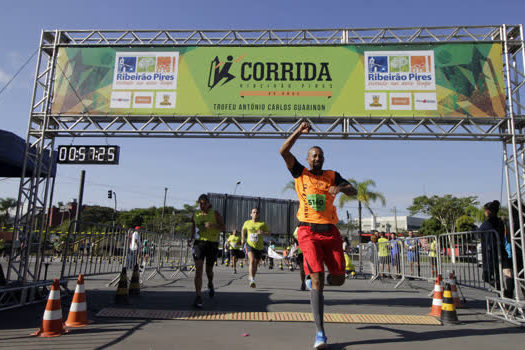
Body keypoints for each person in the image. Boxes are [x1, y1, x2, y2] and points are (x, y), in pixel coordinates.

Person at [279, 121, 357, 350]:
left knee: (339, 279)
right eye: (313, 156)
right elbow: (283, 151)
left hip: (331, 232)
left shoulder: (333, 176)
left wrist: (341, 188)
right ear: (308, 157)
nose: (317, 159)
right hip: (308, 231)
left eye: (320, 156)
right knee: (317, 280)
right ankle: (320, 332)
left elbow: (354, 190)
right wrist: (298, 132)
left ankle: (314, 277)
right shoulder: (300, 173)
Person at [189, 194, 225, 308]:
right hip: (199, 243)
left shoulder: (215, 213)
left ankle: (210, 283)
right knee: (198, 269)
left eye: (204, 203)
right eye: (200, 203)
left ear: (208, 203)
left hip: (212, 244)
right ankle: (198, 296)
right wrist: (190, 238)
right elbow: (193, 227)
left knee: (209, 270)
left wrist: (213, 226)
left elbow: (223, 227)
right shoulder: (196, 214)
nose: (201, 205)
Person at [479, 200, 513, 298]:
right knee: (507, 273)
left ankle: (502, 292)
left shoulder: (487, 224)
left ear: (489, 211)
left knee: (488, 276)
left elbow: (477, 233)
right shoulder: (501, 222)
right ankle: (508, 295)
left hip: (491, 253)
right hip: (502, 250)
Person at [241, 208, 270, 288]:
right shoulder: (247, 222)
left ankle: (252, 276)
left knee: (256, 263)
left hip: (259, 246)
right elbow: (243, 230)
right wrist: (242, 238)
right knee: (252, 260)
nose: (255, 214)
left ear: (259, 214)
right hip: (250, 244)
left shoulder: (262, 224)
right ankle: (252, 279)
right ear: (251, 214)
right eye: (254, 212)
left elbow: (269, 233)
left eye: (257, 213)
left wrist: (263, 232)